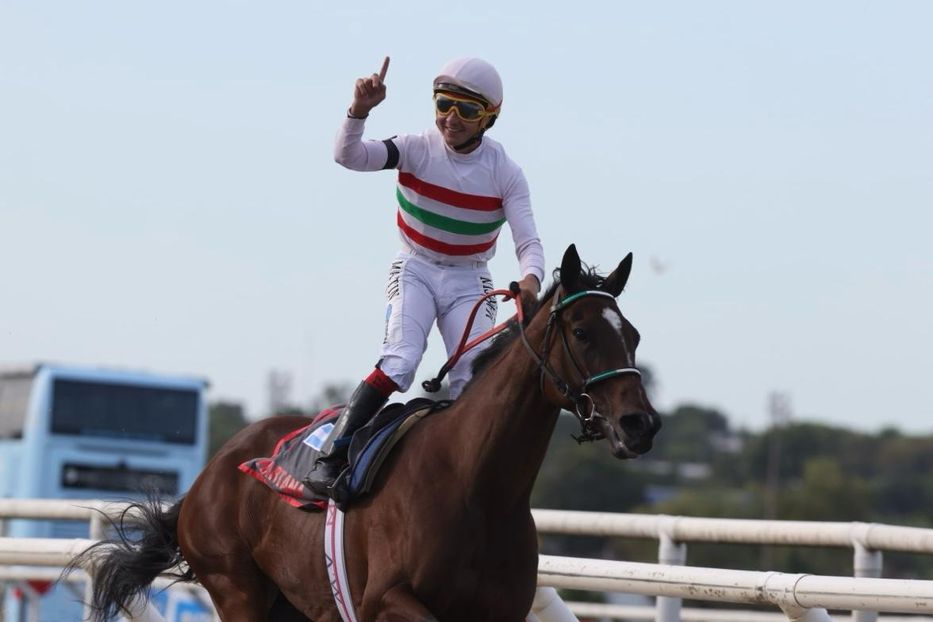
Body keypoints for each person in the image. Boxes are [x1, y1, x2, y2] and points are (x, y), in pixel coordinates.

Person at [306, 56, 545, 498]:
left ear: (489, 117)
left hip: (470, 279)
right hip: (415, 267)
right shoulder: (415, 147)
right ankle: (331, 457)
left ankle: (469, 476)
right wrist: (359, 111)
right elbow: (347, 156)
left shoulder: (506, 173)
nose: (451, 118)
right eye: (443, 104)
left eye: (466, 109)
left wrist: (530, 279)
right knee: (400, 361)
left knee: (473, 377)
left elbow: (528, 241)